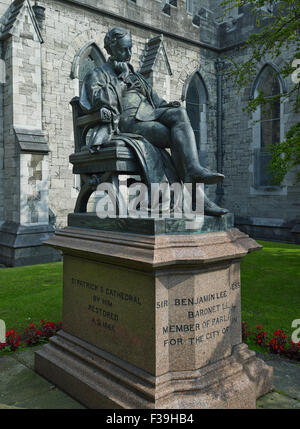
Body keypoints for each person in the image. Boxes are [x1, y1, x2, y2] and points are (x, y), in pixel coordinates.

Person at [80, 27, 228, 216]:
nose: (128, 54)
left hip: (149, 113)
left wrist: (169, 106)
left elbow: (156, 101)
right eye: (124, 49)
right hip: (128, 123)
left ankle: (193, 169)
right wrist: (121, 84)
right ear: (110, 48)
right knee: (174, 138)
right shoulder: (98, 74)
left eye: (130, 48)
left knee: (180, 112)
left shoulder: (136, 75)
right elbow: (93, 99)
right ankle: (199, 199)